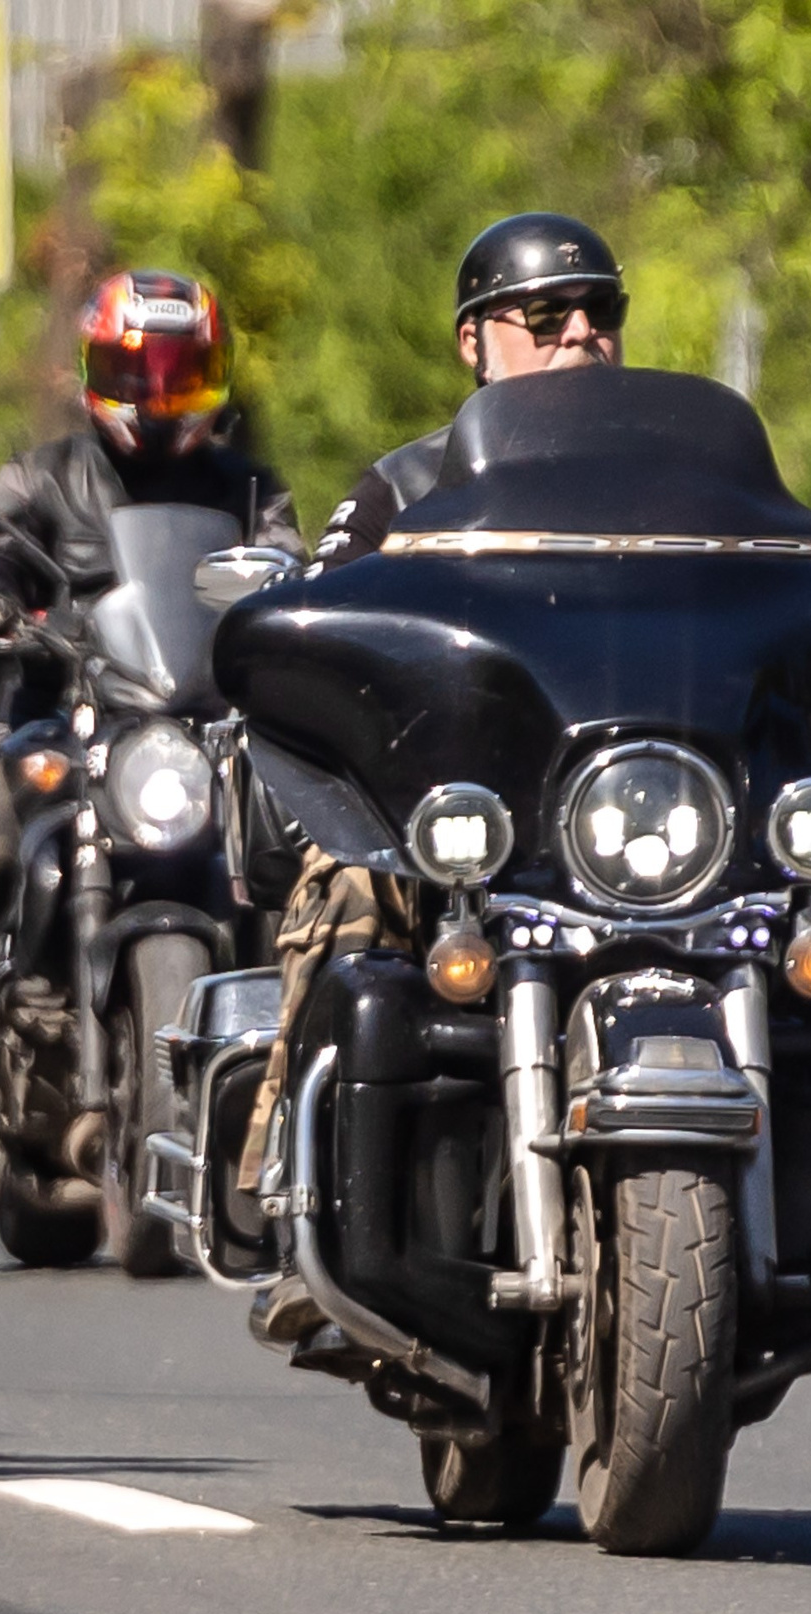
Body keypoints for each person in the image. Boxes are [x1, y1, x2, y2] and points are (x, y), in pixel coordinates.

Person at [247, 213, 627, 1357]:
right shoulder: (409, 486)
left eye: (599, 315)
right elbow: (315, 618)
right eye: (545, 318)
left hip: (620, 819)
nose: (577, 339)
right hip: (462, 820)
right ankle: (289, 1194)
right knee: (349, 892)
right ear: (476, 342)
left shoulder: (679, 488)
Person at [0, 269, 302, 1128]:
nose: (158, 399)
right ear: (95, 375)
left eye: (180, 374)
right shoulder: (45, 476)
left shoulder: (251, 489)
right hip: (66, 711)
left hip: (197, 727)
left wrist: (301, 604)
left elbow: (287, 565)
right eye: (137, 376)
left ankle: (297, 1051)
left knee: (296, 853)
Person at [310, 212, 628, 568]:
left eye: (602, 308)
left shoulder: (680, 468)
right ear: (473, 343)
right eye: (546, 313)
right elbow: (319, 609)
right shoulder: (402, 489)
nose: (582, 331)